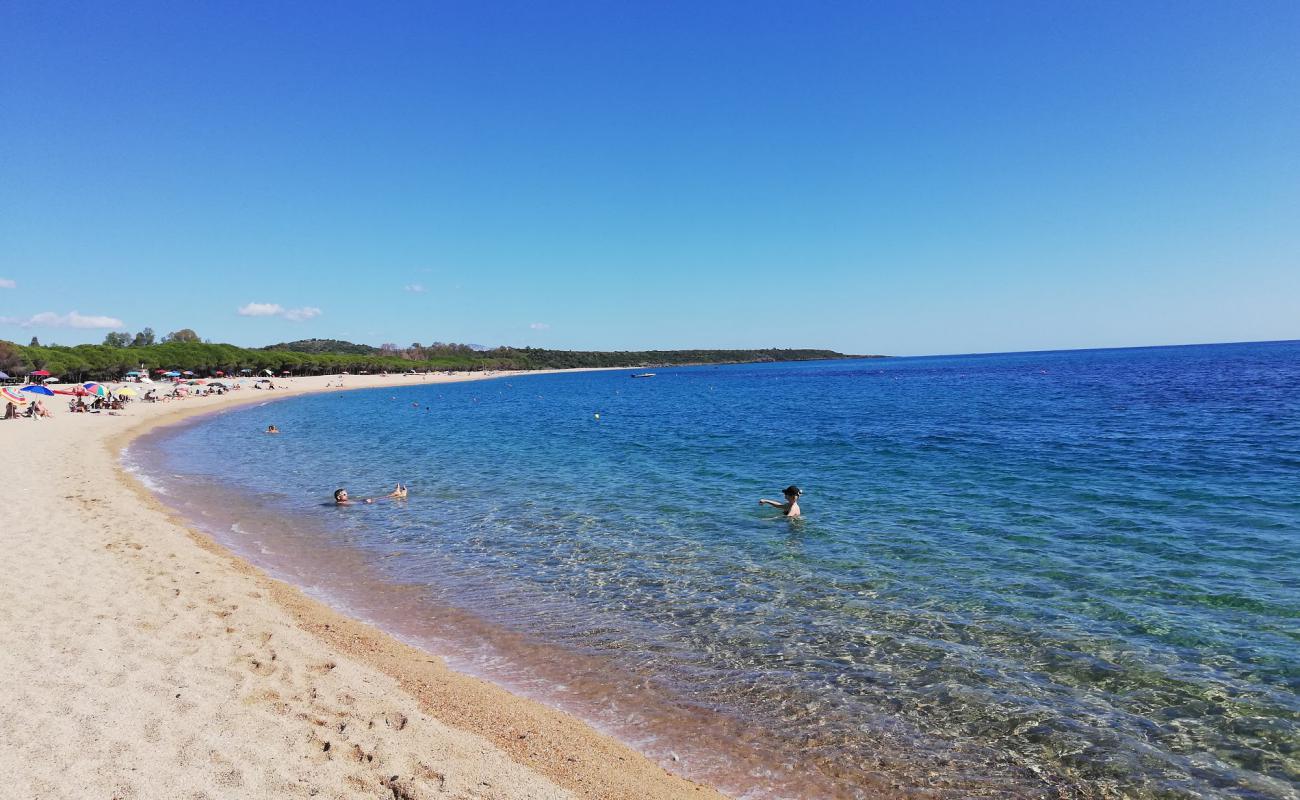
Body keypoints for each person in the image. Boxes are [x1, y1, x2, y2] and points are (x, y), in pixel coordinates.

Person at [334, 484, 407, 505]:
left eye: (346, 494)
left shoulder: (342, 502)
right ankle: (399, 495)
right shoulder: (341, 503)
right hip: (363, 503)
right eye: (344, 494)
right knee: (382, 499)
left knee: (380, 498)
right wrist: (365, 502)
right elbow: (353, 503)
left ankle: (395, 493)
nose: (346, 495)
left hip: (362, 501)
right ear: (338, 497)